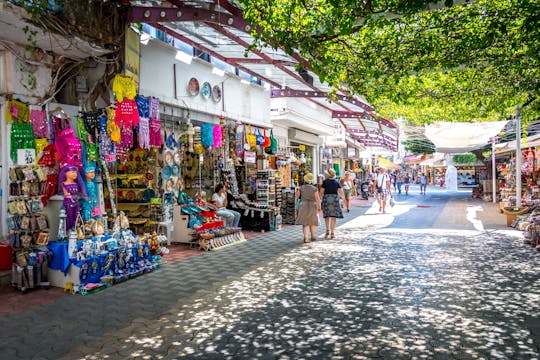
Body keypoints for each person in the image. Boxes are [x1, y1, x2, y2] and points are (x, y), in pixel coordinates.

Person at [58, 165, 87, 231]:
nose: (75, 174)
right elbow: (64, 194)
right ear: (66, 173)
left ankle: (76, 230)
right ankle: (69, 231)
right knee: (69, 217)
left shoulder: (76, 184)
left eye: (75, 172)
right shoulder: (63, 184)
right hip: (68, 203)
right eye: (72, 172)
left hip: (76, 203)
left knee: (76, 217)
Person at [295, 173, 322, 243]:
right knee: (312, 221)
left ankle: (306, 237)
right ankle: (313, 236)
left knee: (305, 222)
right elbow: (317, 198)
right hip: (313, 205)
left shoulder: (301, 187)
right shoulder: (314, 188)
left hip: (303, 205)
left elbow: (297, 197)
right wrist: (319, 207)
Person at [320, 168, 344, 239]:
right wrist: (343, 199)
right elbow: (341, 193)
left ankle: (327, 230)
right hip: (335, 199)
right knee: (333, 216)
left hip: (326, 199)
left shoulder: (325, 182)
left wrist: (319, 199)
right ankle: (332, 232)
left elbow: (321, 192)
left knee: (327, 216)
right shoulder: (337, 182)